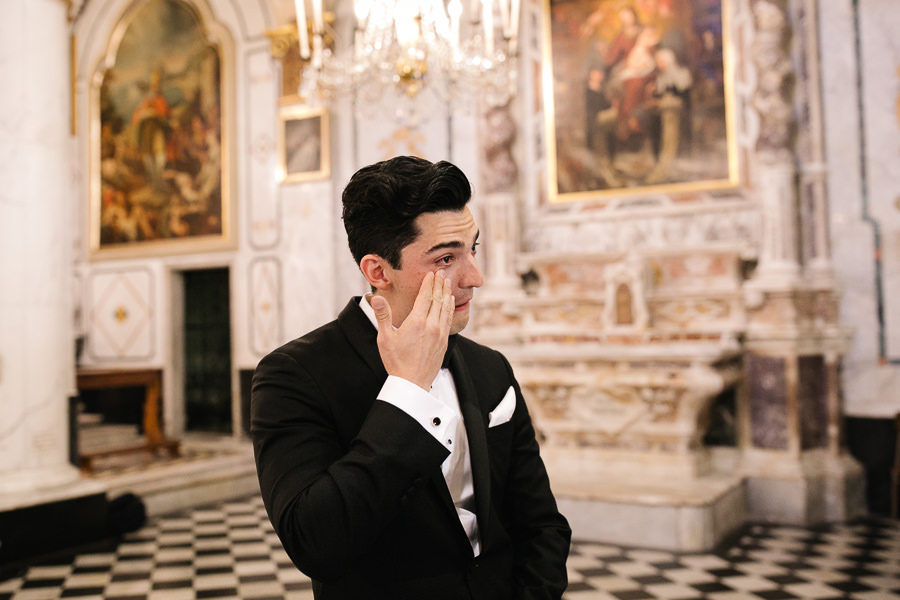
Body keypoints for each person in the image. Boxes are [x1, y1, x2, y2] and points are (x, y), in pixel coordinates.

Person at [251, 156, 571, 600]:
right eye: (445, 258)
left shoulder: (490, 367)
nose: (474, 277)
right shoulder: (293, 375)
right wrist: (407, 391)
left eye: (472, 249)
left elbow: (540, 523)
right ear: (378, 271)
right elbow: (316, 544)